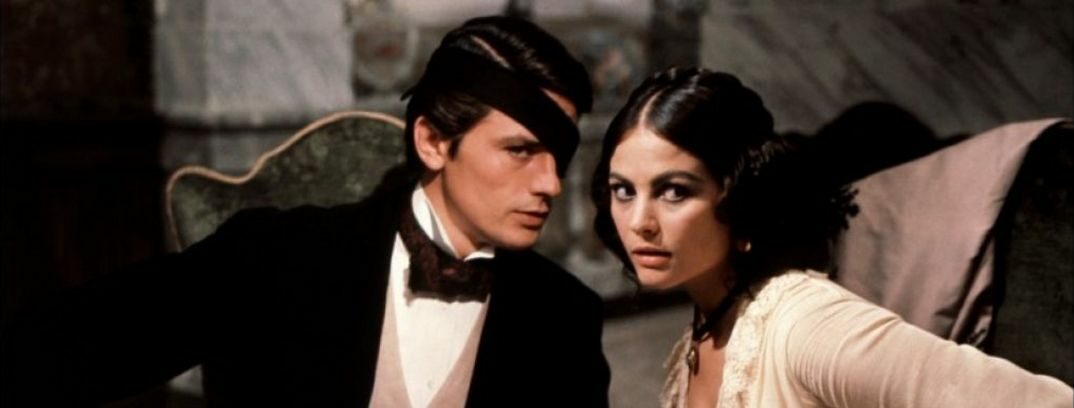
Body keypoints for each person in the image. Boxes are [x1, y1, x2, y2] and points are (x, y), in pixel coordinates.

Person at [1, 16, 610, 407]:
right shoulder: (274, 259)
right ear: (432, 142)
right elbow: (67, 349)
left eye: (559, 158)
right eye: (521, 151)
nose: (552, 184)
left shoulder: (563, 318)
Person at [589, 66, 1072, 408]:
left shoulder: (806, 324)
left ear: (739, 198)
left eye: (674, 191)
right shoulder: (706, 327)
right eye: (623, 190)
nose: (639, 222)